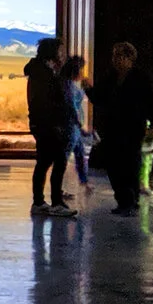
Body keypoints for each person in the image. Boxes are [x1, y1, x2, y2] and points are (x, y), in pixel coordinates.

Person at [86, 41, 153, 214]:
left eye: (119, 55)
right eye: (114, 55)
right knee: (113, 164)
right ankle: (123, 199)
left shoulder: (141, 76)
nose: (115, 59)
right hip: (112, 127)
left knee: (130, 163)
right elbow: (100, 98)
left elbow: (152, 101)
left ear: (129, 58)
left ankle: (130, 200)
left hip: (133, 127)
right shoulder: (110, 77)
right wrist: (89, 90)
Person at [23, 36, 75, 216]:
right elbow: (46, 103)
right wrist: (55, 124)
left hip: (44, 125)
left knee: (44, 162)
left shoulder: (42, 71)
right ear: (52, 53)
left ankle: (40, 202)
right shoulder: (43, 75)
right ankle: (55, 203)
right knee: (57, 161)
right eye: (60, 51)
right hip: (48, 126)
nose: (63, 55)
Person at [59, 55, 92, 204]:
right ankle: (58, 188)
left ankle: (84, 182)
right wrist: (79, 124)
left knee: (79, 154)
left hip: (74, 127)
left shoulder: (70, 84)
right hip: (71, 126)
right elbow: (72, 107)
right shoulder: (68, 86)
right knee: (65, 157)